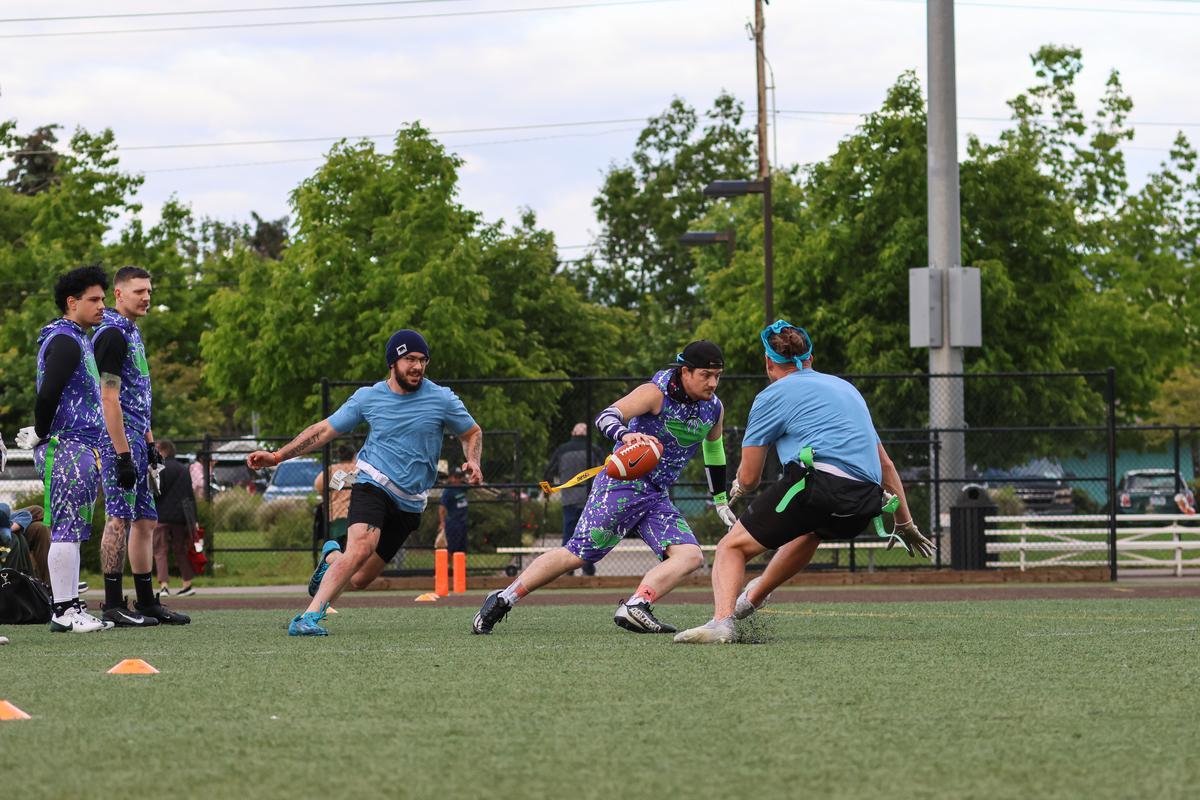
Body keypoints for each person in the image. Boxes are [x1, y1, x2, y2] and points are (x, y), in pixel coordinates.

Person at [675, 321, 933, 644]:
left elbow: (752, 477)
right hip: (865, 504)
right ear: (811, 358)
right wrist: (905, 522)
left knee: (732, 547)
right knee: (810, 532)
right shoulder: (848, 389)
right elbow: (886, 465)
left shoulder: (770, 396)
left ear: (768, 363)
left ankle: (722, 622)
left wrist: (737, 487)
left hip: (820, 485)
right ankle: (752, 598)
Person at [473, 340, 736, 636]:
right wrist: (625, 436)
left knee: (690, 556)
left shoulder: (713, 408)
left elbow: (714, 451)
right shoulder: (654, 393)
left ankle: (636, 605)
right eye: (706, 375)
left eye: (718, 376)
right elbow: (606, 416)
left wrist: (720, 500)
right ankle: (503, 598)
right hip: (621, 487)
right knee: (577, 555)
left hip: (655, 495)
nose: (713, 383)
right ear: (685, 371)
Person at [246, 329, 484, 637]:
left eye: (423, 360)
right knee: (360, 547)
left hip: (412, 501)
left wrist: (474, 461)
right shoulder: (368, 398)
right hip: (374, 482)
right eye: (409, 359)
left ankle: (331, 555)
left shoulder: (442, 399)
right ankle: (307, 618)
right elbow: (323, 430)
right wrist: (278, 456)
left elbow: (471, 433)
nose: (417, 366)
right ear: (392, 362)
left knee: (359, 579)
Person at [93, 267, 188, 627]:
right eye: (138, 291)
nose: (146, 297)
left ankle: (147, 601)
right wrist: (121, 454)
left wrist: (149, 444)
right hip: (117, 437)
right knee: (118, 517)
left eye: (149, 290)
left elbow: (139, 397)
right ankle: (113, 604)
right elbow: (108, 397)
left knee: (146, 519)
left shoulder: (133, 332)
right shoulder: (113, 334)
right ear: (118, 294)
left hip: (136, 435)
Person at [22, 265, 111, 632]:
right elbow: (48, 393)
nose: (102, 305)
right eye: (94, 299)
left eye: (104, 298)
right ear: (72, 303)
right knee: (65, 529)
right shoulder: (65, 339)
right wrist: (43, 433)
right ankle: (63, 611)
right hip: (67, 445)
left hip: (79, 446)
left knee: (73, 530)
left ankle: (71, 604)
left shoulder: (78, 338)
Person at [543, 423, 605, 576]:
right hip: (589, 498)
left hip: (568, 498)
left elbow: (549, 471)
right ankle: (588, 570)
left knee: (568, 534)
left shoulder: (562, 450)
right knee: (588, 535)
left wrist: (548, 489)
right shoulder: (594, 449)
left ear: (572, 432)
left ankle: (567, 570)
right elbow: (606, 468)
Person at [151, 439, 198, 597]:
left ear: (163, 450)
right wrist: (193, 519)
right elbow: (189, 495)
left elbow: (156, 492)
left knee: (160, 550)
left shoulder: (159, 468)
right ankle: (187, 584)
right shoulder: (183, 469)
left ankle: (164, 585)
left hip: (161, 515)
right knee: (180, 550)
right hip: (180, 516)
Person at [313, 443, 357, 549]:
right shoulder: (357, 469)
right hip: (355, 512)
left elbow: (318, 485)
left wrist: (327, 494)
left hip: (335, 512)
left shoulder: (332, 469)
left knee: (336, 548)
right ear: (354, 455)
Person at [436, 467, 469, 553]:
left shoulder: (462, 487)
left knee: (462, 548)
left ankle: (459, 565)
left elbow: (472, 483)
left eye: (459, 477)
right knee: (451, 548)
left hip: (463, 522)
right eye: (455, 477)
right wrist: (442, 523)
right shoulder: (448, 491)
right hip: (453, 523)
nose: (457, 479)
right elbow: (441, 508)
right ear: (450, 478)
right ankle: (449, 565)